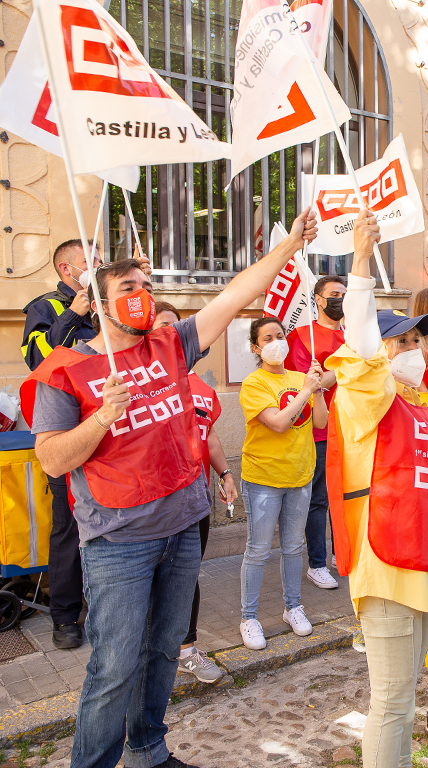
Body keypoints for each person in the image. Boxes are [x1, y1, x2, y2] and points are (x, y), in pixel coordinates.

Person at [20, 208, 317, 768]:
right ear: (100, 302)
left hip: (182, 529)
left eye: (148, 286)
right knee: (115, 665)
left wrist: (288, 247)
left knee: (162, 653)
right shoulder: (64, 372)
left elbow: (234, 295)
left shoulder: (172, 345)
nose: (143, 294)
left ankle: (148, 751)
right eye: (128, 287)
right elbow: (53, 460)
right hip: (118, 541)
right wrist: (102, 417)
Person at [325, 210, 428, 768]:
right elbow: (359, 340)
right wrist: (361, 259)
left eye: (415, 338)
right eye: (400, 339)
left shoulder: (419, 405)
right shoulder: (365, 391)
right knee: (390, 702)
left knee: (405, 699)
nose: (413, 346)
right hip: (385, 561)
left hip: (420, 560)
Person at [20, 240, 149, 650]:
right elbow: (39, 360)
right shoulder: (45, 307)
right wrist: (76, 313)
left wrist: (133, 287)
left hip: (117, 439)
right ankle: (64, 616)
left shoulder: (106, 302)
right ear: (66, 269)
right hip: (71, 433)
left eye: (100, 261)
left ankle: (104, 607)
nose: (97, 266)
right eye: (90, 263)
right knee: (68, 528)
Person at [152, 302, 237, 683]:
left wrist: (225, 473)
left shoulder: (203, 388)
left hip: (195, 500)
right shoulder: (138, 383)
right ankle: (148, 654)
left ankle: (186, 649)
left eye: (178, 328)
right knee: (147, 579)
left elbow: (211, 436)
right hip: (149, 504)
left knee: (186, 576)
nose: (173, 335)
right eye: (163, 327)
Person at [238, 317, 328, 650]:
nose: (276, 341)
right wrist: (305, 389)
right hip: (263, 478)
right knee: (258, 550)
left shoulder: (299, 378)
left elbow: (320, 422)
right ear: (256, 348)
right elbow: (276, 423)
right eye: (268, 338)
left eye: (280, 335)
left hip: (300, 475)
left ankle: (294, 607)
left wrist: (317, 391)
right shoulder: (254, 383)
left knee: (293, 547)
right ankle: (249, 617)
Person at [284, 275, 348, 591]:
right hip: (321, 431)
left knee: (346, 497)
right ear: (318, 300)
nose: (341, 299)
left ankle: (341, 554)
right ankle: (317, 563)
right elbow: (305, 386)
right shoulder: (302, 336)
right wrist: (339, 372)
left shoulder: (353, 337)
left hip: (352, 429)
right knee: (319, 500)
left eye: (344, 294)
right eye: (334, 294)